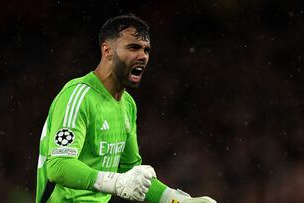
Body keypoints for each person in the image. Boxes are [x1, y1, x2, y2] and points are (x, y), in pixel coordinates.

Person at [36, 14, 216, 203]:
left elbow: (130, 173)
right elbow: (58, 165)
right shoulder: (78, 96)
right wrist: (116, 182)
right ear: (107, 51)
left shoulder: (127, 105)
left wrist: (176, 200)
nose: (143, 56)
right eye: (133, 47)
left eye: (146, 50)